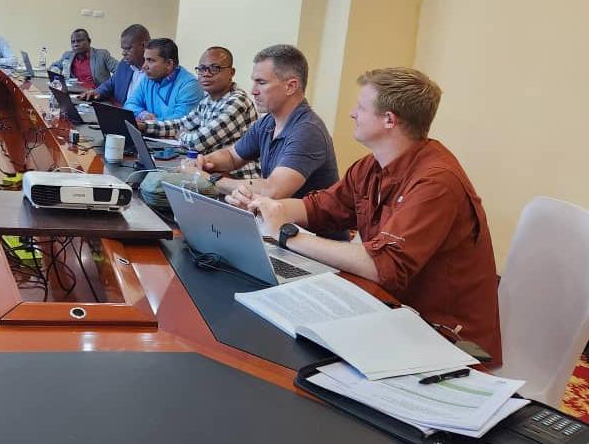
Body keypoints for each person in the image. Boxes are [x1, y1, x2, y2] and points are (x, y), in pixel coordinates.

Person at [229, 67, 502, 365]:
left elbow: (382, 265)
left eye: (361, 107)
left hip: (442, 338)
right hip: (389, 311)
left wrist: (287, 234)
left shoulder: (436, 182)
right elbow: (321, 207)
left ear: (389, 120)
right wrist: (265, 206)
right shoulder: (371, 166)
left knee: (285, 354)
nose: (352, 113)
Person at [199, 44, 338, 199]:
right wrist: (203, 161)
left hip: (298, 215)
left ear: (290, 86)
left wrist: (209, 180)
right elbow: (232, 156)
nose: (253, 91)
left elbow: (272, 190)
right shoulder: (268, 122)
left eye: (261, 82)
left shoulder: (308, 131)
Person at [138, 46, 257, 180]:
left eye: (214, 68)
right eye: (201, 69)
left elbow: (198, 142)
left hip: (236, 178)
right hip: (210, 171)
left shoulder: (237, 101)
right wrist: (145, 126)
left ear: (231, 72)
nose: (206, 74)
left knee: (156, 182)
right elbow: (181, 124)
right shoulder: (208, 100)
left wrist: (182, 135)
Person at [123, 38, 203, 121]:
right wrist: (143, 114)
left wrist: (151, 123)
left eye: (150, 60)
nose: (144, 66)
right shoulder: (147, 79)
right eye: (145, 60)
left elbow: (180, 122)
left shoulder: (190, 86)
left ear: (169, 64)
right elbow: (130, 104)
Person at [79, 24, 149, 105]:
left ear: (144, 45)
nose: (123, 53)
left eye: (128, 49)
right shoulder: (124, 64)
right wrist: (97, 92)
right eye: (123, 49)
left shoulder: (155, 72)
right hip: (120, 110)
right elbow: (111, 84)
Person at [49, 29, 118, 90]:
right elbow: (54, 66)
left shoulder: (101, 55)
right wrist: (57, 72)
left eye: (79, 41)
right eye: (73, 42)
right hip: (75, 93)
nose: (75, 44)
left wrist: (107, 86)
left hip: (97, 94)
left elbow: (120, 70)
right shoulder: (68, 55)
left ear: (89, 41)